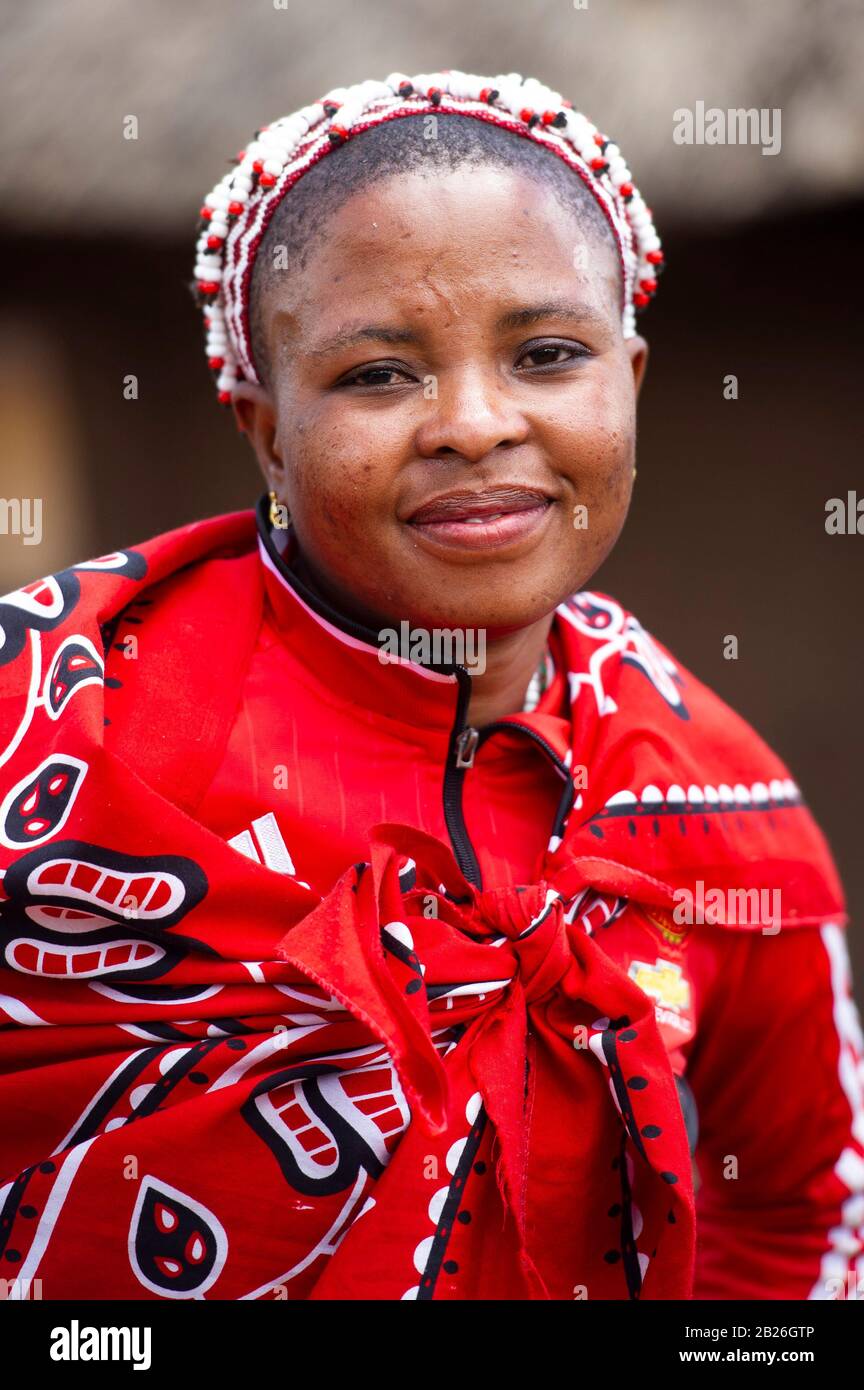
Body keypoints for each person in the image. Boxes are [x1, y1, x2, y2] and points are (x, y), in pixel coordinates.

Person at [0, 69, 861, 1303]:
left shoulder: (721, 810)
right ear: (262, 427)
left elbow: (799, 1214)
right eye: (377, 376)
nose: (471, 422)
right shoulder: (60, 722)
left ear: (633, 379)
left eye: (549, 354)